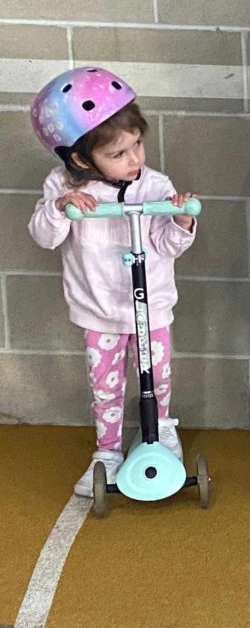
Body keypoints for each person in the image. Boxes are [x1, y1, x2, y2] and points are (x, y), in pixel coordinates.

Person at [28, 67, 197, 497]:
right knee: (105, 387)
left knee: (156, 378)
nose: (135, 159)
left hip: (150, 306)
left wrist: (178, 219)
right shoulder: (63, 185)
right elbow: (45, 237)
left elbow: (167, 244)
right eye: (119, 153)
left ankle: (160, 430)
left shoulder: (155, 185)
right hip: (99, 312)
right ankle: (107, 450)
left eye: (137, 144)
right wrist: (62, 206)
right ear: (82, 159)